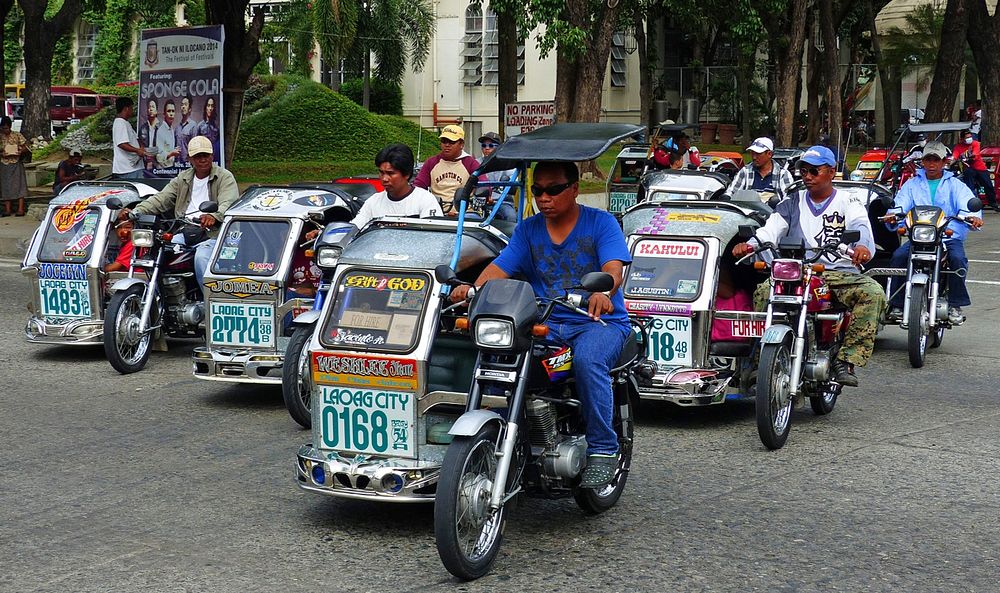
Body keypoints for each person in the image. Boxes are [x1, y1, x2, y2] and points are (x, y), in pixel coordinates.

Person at [449, 160, 632, 489]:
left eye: (553, 190)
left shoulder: (601, 223)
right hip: (545, 321)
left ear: (574, 189)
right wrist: (473, 289)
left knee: (589, 361)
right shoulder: (527, 230)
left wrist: (604, 291)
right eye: (537, 191)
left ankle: (604, 449)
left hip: (598, 322)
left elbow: (612, 267)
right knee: (497, 355)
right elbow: (501, 267)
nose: (543, 198)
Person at [732, 145, 885, 387]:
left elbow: (861, 225)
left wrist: (863, 247)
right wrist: (750, 244)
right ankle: (758, 358)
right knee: (763, 292)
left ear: (831, 172)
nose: (807, 176)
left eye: (814, 171)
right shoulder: (791, 202)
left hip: (838, 273)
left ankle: (846, 360)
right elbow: (770, 229)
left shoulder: (849, 200)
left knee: (873, 293)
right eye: (803, 170)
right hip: (798, 271)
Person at [117, 136, 238, 286]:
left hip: (213, 234)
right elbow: (161, 198)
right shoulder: (183, 178)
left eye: (206, 155)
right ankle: (161, 297)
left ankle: (209, 303)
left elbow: (229, 202)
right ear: (190, 159)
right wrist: (136, 211)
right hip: (184, 231)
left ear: (212, 156)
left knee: (202, 258)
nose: (202, 160)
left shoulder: (224, 177)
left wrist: (214, 216)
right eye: (197, 156)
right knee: (157, 252)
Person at [885, 141, 983, 324]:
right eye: (927, 159)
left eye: (935, 160)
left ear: (944, 162)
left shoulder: (955, 185)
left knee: (958, 259)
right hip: (919, 236)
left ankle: (955, 304)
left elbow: (968, 203)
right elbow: (900, 203)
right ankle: (897, 304)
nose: (931, 164)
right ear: (922, 161)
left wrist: (972, 216)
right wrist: (892, 214)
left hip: (948, 236)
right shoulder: (911, 184)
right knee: (898, 257)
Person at [349, 144, 441, 229]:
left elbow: (433, 237)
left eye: (391, 173)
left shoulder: (425, 200)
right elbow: (353, 229)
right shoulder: (373, 202)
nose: (384, 178)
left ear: (407, 174)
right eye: (381, 172)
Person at [413, 124, 479, 212]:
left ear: (461, 144)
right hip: (436, 212)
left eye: (452, 142)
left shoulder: (471, 163)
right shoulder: (431, 162)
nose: (447, 145)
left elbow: (484, 184)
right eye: (444, 141)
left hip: (464, 213)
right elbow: (419, 186)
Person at [727, 136, 795, 199]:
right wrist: (726, 197)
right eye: (752, 153)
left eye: (758, 154)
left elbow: (789, 200)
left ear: (769, 154)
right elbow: (731, 193)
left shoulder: (783, 174)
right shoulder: (745, 171)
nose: (754, 157)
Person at [953, 129, 998, 210]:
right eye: (967, 137)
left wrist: (970, 157)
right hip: (968, 169)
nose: (969, 138)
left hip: (980, 168)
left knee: (988, 185)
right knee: (969, 184)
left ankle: (993, 203)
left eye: (970, 137)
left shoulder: (975, 143)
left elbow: (976, 154)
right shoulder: (958, 147)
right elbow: (955, 156)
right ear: (962, 139)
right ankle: (972, 201)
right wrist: (952, 160)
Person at [479, 131, 517, 220]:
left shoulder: (507, 163)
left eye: (491, 146)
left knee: (511, 217)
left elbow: (513, 180)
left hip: (502, 202)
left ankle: (511, 234)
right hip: (479, 203)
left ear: (499, 148)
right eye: (484, 145)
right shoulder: (476, 163)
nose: (486, 148)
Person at [0, 115, 30, 216]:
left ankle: (20, 209)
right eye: (3, 128)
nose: (5, 130)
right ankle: (7, 209)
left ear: (10, 126)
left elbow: (26, 146)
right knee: (6, 186)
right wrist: (2, 154)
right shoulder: (0, 137)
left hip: (16, 162)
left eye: (7, 128)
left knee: (20, 185)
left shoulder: (17, 135)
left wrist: (20, 151)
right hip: (4, 163)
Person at [112, 97, 145, 179]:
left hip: (133, 167)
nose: (132, 110)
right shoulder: (120, 123)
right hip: (127, 169)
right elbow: (122, 144)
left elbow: (136, 139)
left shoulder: (126, 123)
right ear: (126, 108)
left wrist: (141, 147)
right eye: (131, 108)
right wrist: (137, 150)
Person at [154, 99, 180, 168]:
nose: (171, 114)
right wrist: (171, 153)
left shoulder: (171, 129)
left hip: (171, 168)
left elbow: (167, 148)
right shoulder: (160, 130)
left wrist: (174, 150)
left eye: (173, 111)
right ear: (164, 114)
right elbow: (158, 156)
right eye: (169, 111)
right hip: (162, 170)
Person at [173, 95, 198, 167]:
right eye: (182, 105)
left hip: (188, 164)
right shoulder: (177, 127)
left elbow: (194, 146)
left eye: (185, 105)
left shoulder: (193, 125)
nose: (183, 107)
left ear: (189, 109)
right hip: (177, 164)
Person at [138, 99, 160, 171]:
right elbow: (140, 145)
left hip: (159, 163)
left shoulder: (162, 128)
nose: (150, 109)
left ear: (157, 110)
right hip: (144, 162)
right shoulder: (142, 128)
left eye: (153, 107)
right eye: (149, 107)